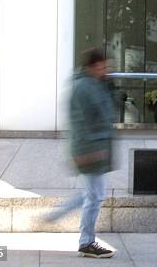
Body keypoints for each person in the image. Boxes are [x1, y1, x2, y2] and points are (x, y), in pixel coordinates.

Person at [45, 48, 116, 258]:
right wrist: (85, 152)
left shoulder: (96, 85)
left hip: (96, 149)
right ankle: (86, 242)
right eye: (103, 67)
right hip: (89, 150)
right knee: (94, 196)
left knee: (92, 195)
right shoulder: (82, 88)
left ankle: (56, 215)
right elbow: (78, 123)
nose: (106, 70)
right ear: (92, 67)